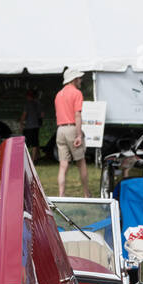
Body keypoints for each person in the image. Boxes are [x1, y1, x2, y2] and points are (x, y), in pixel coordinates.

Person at [54, 68, 90, 197]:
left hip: (60, 130)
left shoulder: (59, 94)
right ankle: (87, 194)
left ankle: (61, 195)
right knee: (81, 163)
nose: (80, 80)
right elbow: (77, 115)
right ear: (74, 79)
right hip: (71, 129)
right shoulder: (76, 93)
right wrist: (79, 135)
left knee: (63, 165)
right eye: (79, 78)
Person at [20, 86, 43, 162]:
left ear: (28, 96)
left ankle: (26, 160)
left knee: (25, 144)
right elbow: (42, 114)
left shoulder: (27, 104)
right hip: (36, 126)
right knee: (35, 143)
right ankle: (34, 159)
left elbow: (24, 115)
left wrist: (21, 123)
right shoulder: (38, 103)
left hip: (28, 127)